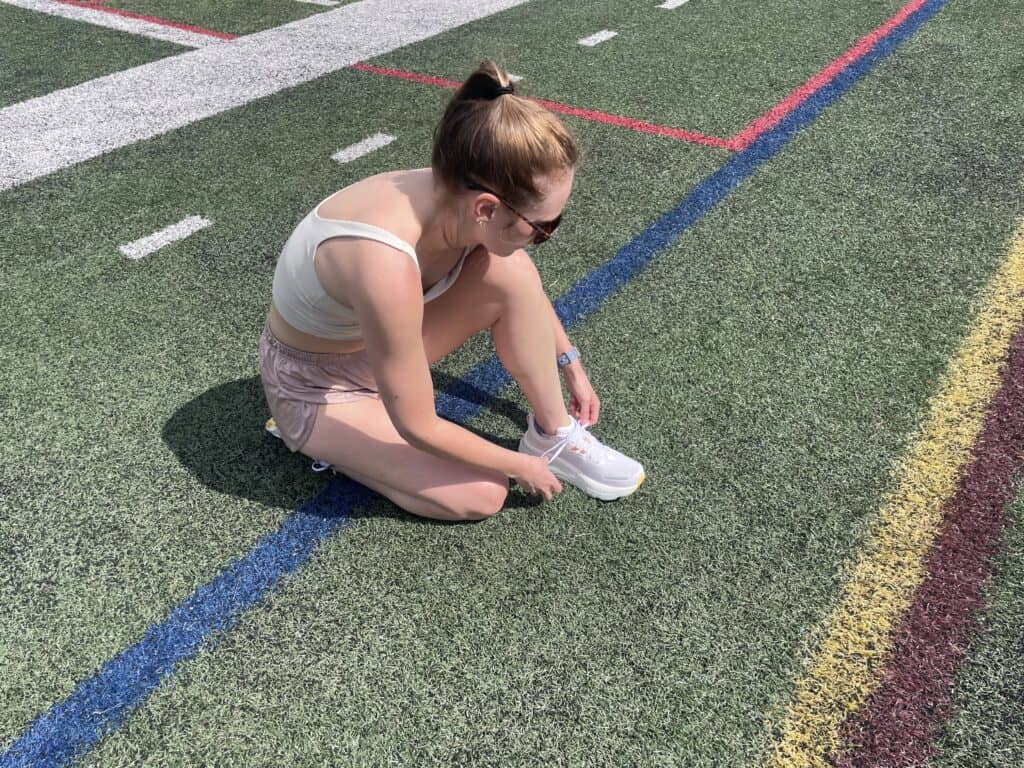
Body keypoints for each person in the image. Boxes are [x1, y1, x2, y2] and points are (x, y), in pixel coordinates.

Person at [259, 60, 644, 522]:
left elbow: (523, 286)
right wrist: (518, 464)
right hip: (317, 386)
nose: (548, 237)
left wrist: (570, 363)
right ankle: (319, 440)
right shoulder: (384, 260)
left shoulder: (456, 192)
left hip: (372, 348)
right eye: (542, 227)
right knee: (481, 493)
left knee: (511, 270)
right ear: (486, 207)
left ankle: (554, 432)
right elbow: (418, 425)